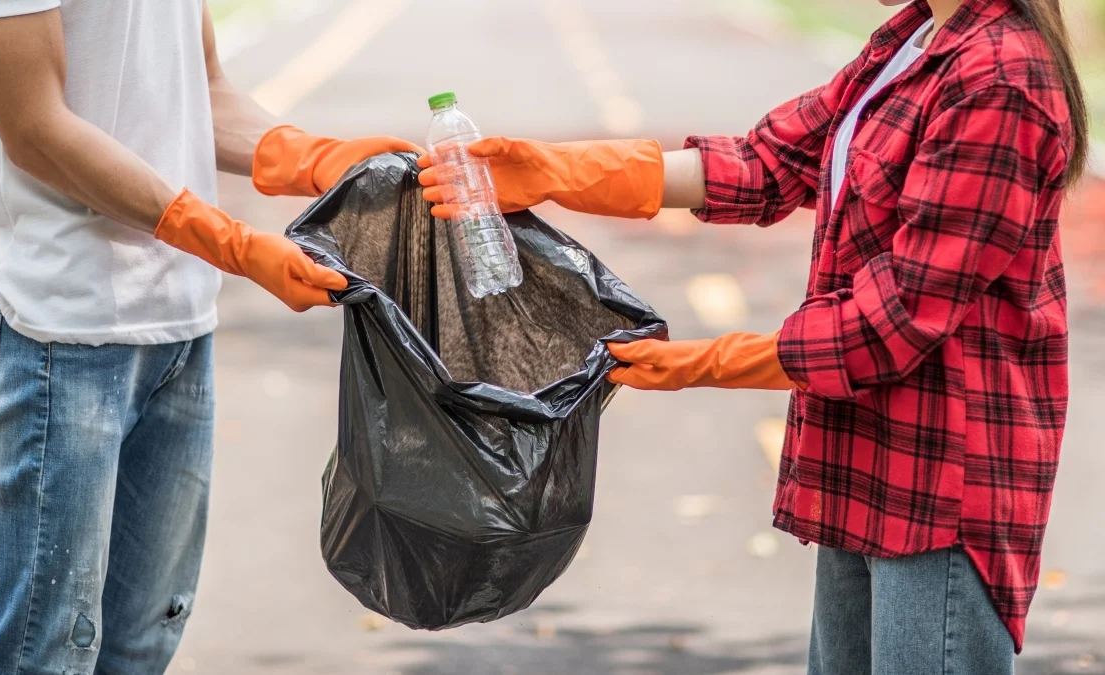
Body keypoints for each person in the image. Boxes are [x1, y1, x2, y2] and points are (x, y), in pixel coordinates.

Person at [420, 0, 1084, 671]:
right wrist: (554, 173)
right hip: (864, 467)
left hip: (941, 487)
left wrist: (702, 362)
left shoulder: (999, 77)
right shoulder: (911, 41)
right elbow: (767, 163)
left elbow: (896, 320)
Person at [0, 0, 419, 671]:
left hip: (178, 328)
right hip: (57, 334)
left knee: (139, 649)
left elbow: (202, 90)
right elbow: (36, 129)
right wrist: (235, 245)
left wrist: (317, 159)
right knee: (38, 656)